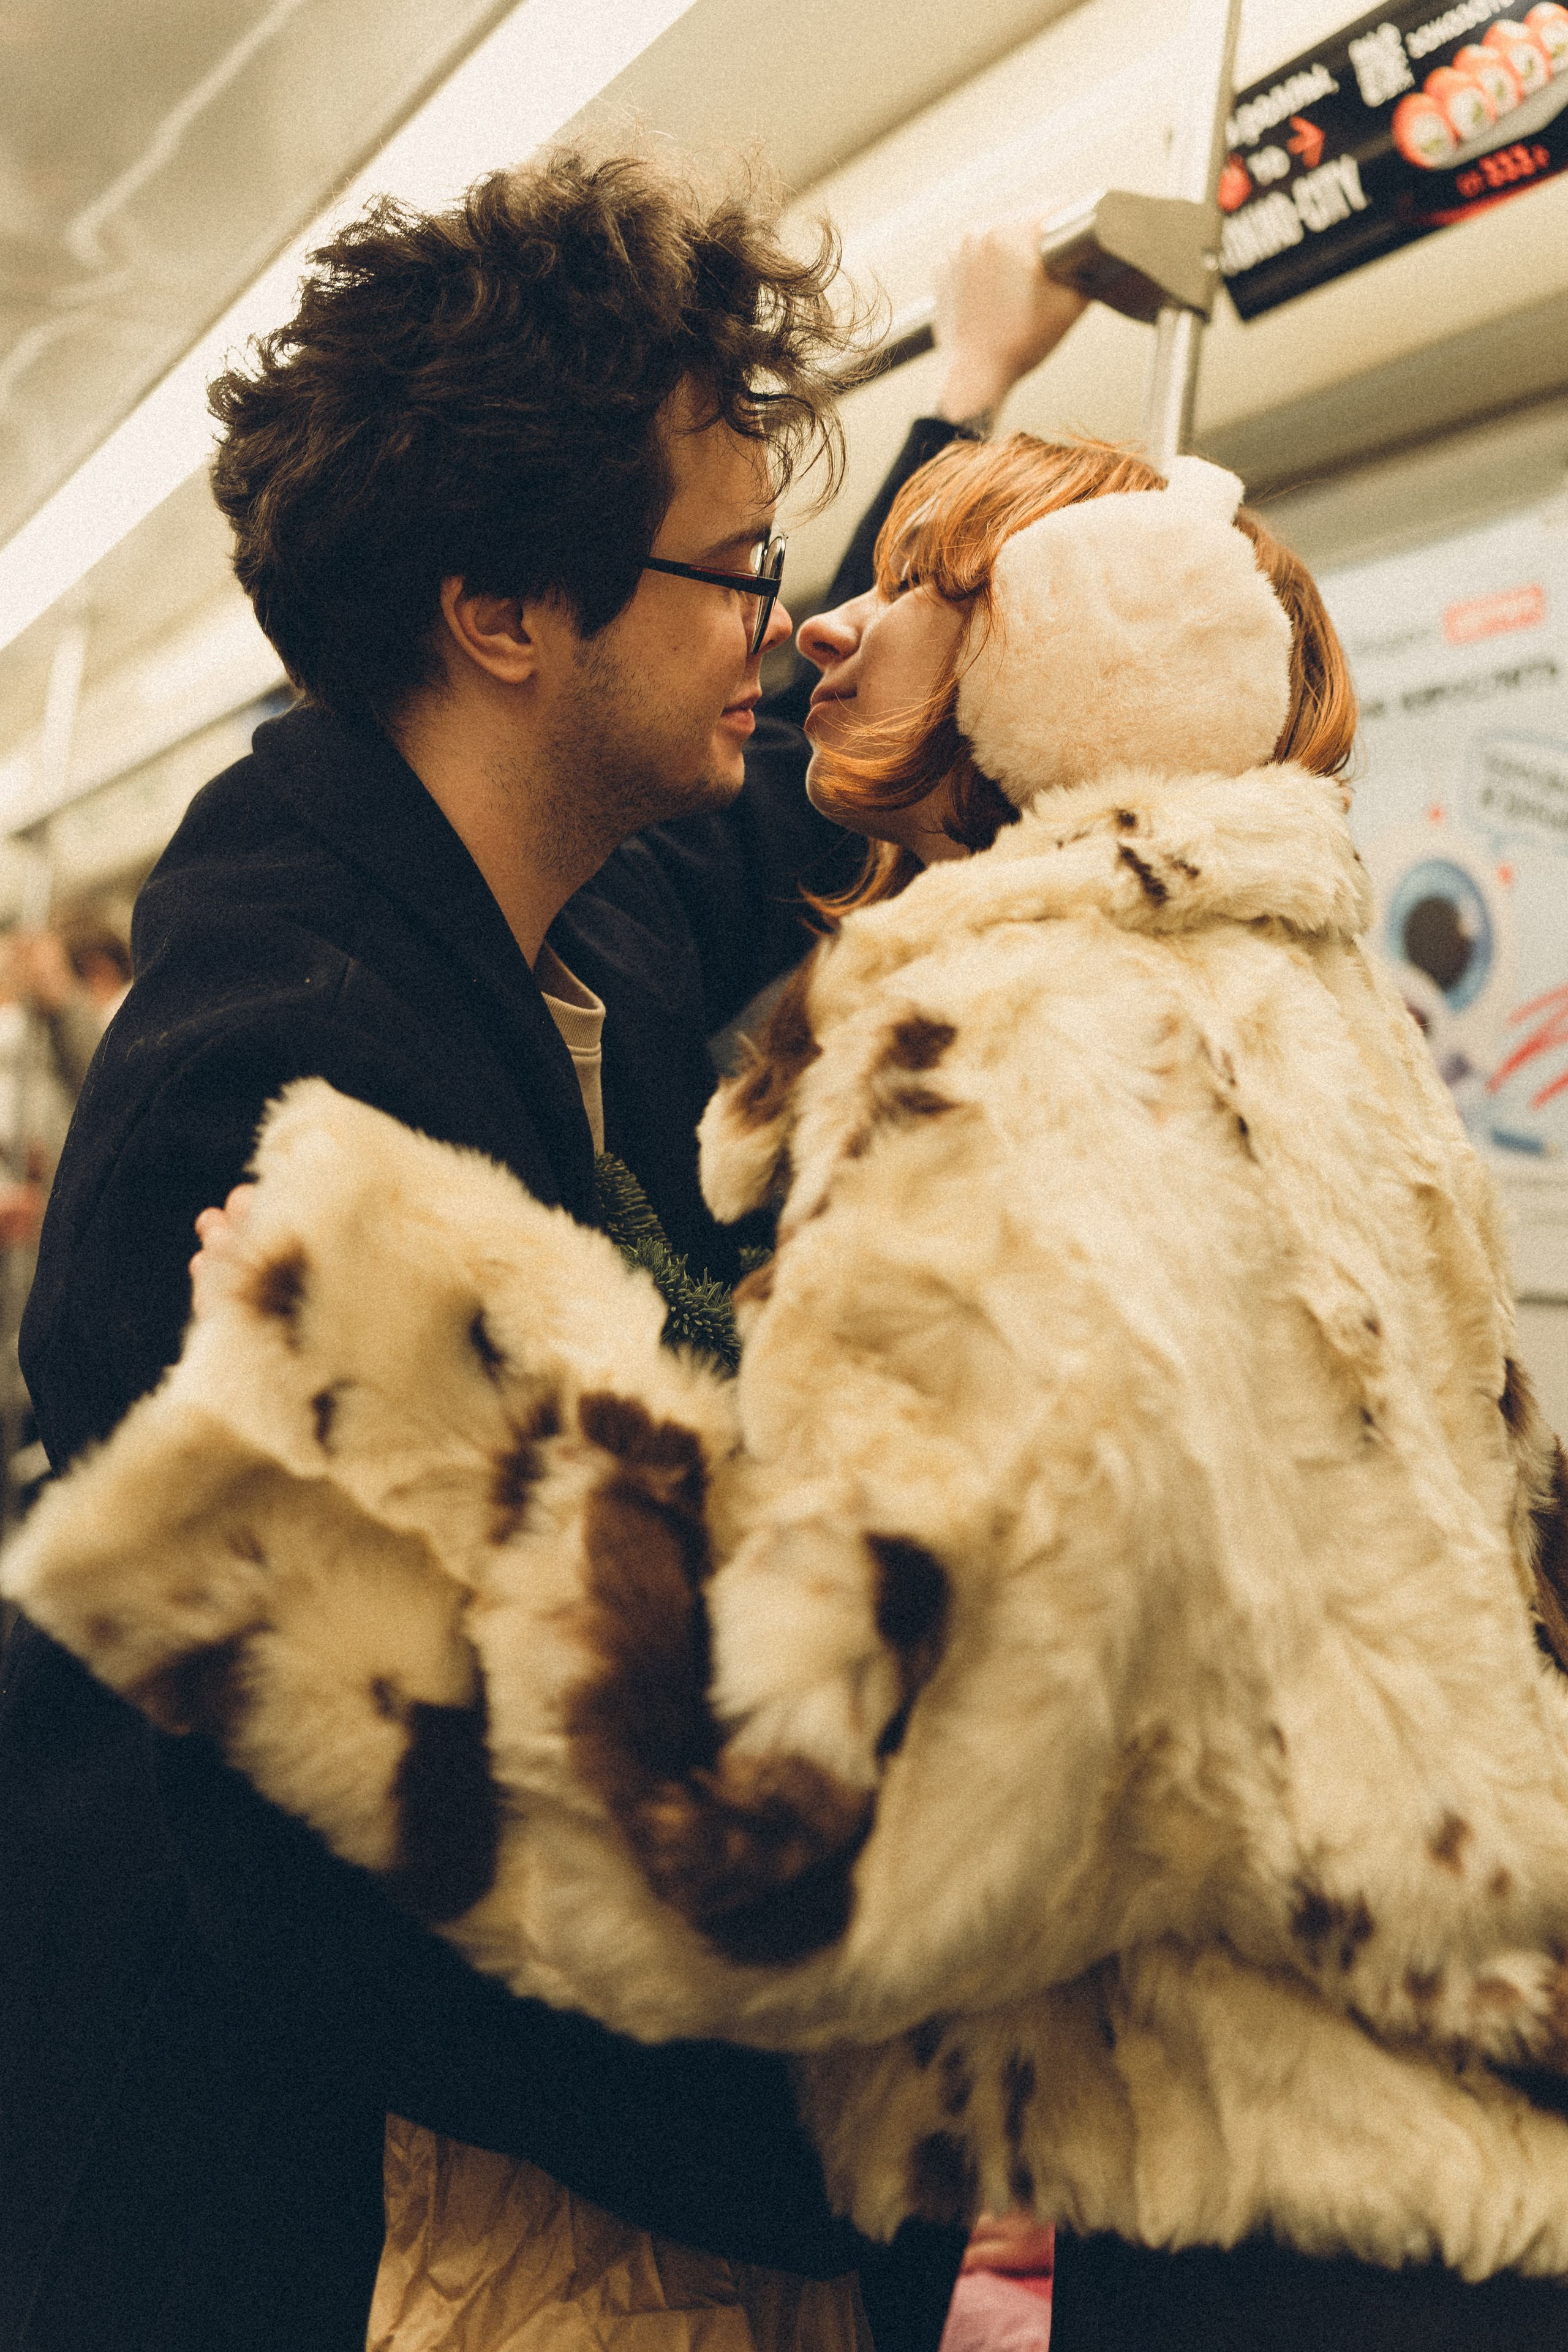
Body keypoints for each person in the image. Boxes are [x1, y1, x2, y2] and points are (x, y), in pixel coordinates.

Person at [40, 424, 1568, 2352]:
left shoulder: (1009, 1055)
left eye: (927, 591)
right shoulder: (1295, 1012)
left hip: (1257, 2197)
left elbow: (818, 1810)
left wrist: (400, 1363)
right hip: (1441, 2103)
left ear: (1060, 660)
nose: (826, 626)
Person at [0, 146, 1084, 2352]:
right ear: (504, 615)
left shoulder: (561, 907)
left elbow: (780, 802)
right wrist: (888, 2171)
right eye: (735, 571)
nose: (779, 627)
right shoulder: (271, 1099)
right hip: (291, 2223)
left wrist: (970, 410)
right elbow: (376, 1898)